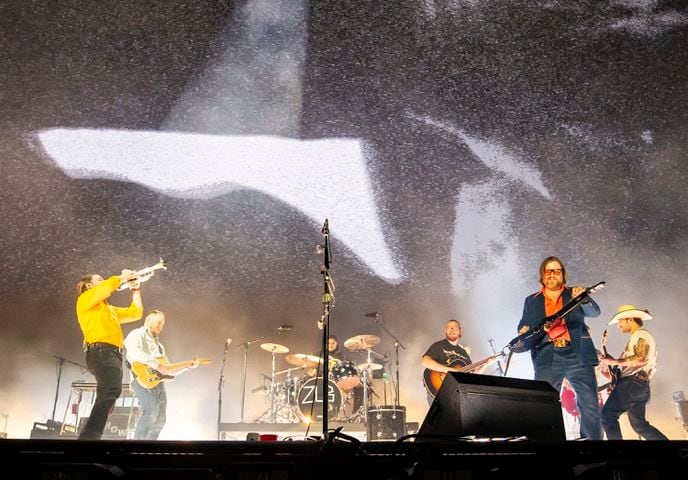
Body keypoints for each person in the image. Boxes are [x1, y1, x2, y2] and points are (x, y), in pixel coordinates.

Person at [517, 256, 602, 440]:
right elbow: (523, 325)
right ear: (542, 275)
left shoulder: (574, 294)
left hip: (577, 353)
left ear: (563, 275)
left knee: (589, 404)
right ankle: (550, 450)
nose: (552, 275)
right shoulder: (531, 300)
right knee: (543, 405)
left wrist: (584, 299)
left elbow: (595, 312)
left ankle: (592, 452)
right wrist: (525, 330)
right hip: (547, 355)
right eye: (548, 271)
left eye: (556, 271)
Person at [75, 270, 143, 440]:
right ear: (89, 285)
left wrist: (135, 289)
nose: (104, 280)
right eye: (99, 279)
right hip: (100, 352)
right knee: (111, 390)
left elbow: (135, 313)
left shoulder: (109, 310)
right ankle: (89, 438)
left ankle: (90, 437)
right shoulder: (85, 299)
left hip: (113, 355)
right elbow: (106, 288)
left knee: (109, 393)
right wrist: (122, 278)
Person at [124, 310, 200, 440]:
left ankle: (148, 450)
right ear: (148, 320)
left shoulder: (159, 346)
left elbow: (168, 370)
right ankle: (136, 448)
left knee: (160, 419)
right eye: (159, 322)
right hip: (143, 381)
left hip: (159, 383)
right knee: (150, 412)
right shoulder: (137, 334)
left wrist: (187, 367)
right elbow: (133, 350)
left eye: (163, 324)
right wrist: (155, 364)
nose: (161, 326)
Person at [600, 305, 668, 440]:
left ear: (630, 320)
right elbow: (631, 363)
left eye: (620, 321)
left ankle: (617, 453)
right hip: (639, 385)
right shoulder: (637, 337)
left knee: (607, 415)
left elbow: (640, 358)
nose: (619, 325)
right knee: (639, 426)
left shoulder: (640, 335)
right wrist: (612, 371)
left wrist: (614, 362)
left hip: (632, 384)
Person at [422, 319, 492, 403]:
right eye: (449, 327)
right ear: (445, 331)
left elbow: (472, 375)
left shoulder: (464, 352)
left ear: (460, 332)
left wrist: (486, 364)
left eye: (455, 328)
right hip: (439, 391)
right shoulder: (438, 346)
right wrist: (452, 371)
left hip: (456, 395)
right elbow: (425, 361)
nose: (452, 329)